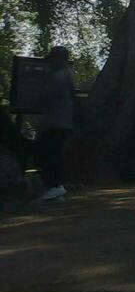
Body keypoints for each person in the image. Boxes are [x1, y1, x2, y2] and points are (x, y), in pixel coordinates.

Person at [33, 45, 76, 200]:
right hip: (64, 122)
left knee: (48, 155)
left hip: (55, 122)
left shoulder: (58, 77)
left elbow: (44, 97)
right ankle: (57, 189)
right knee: (54, 155)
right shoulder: (69, 74)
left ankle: (54, 186)